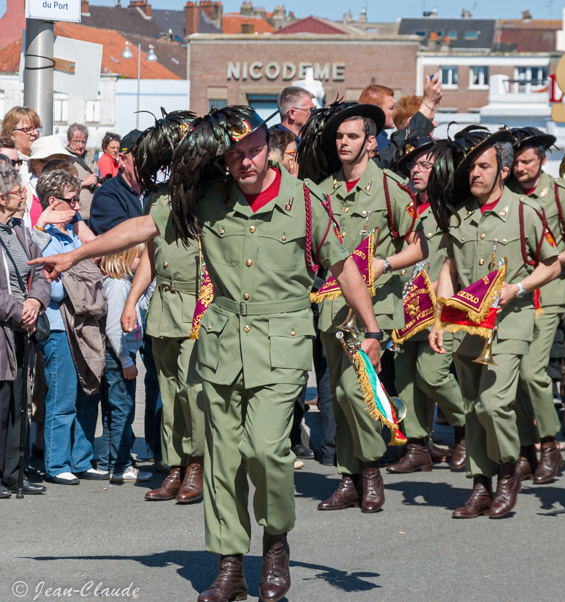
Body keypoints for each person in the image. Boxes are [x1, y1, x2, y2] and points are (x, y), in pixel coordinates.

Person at [30, 105, 381, 602]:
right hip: (218, 345)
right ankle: (231, 565)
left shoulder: (305, 202)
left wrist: (371, 329)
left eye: (255, 148)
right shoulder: (206, 200)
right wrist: (73, 254)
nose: (246, 161)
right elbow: (139, 230)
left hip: (281, 343)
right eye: (234, 153)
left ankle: (275, 542)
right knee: (223, 461)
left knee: (266, 451)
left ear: (270, 145)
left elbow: (343, 267)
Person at [428, 128, 561, 518]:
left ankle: (508, 472)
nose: (475, 174)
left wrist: (517, 287)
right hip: (467, 326)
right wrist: (440, 319)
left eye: (484, 166)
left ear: (503, 170)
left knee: (494, 403)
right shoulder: (460, 217)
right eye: (471, 167)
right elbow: (448, 269)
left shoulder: (525, 212)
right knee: (471, 407)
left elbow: (551, 265)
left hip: (510, 323)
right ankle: (480, 485)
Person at [308, 102, 425, 514]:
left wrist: (385, 262)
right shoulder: (322, 192)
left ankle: (370, 469)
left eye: (353, 136)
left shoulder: (391, 188)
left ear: (371, 143)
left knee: (355, 392)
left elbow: (420, 245)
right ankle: (348, 477)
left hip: (374, 310)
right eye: (339, 136)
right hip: (332, 309)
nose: (344, 142)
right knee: (336, 399)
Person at [122, 110, 207, 505]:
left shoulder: (207, 193)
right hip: (165, 302)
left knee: (194, 391)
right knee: (169, 394)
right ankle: (174, 465)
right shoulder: (157, 198)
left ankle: (197, 466)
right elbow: (151, 256)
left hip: (199, 303)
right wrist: (132, 298)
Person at [507, 127, 565, 484]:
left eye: (526, 161)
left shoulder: (558, 192)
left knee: (532, 373)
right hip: (513, 294)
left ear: (542, 160)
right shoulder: (507, 191)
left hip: (548, 296)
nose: (519, 168)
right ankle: (525, 449)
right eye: (515, 162)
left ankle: (549, 445)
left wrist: (550, 261)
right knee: (514, 378)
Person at [384, 135, 468, 474]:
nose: (415, 170)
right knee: (405, 382)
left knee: (432, 375)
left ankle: (467, 428)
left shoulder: (452, 211)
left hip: (439, 308)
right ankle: (417, 446)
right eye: (413, 165)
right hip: (406, 307)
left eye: (424, 165)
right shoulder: (407, 209)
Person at [35, 170, 104, 486]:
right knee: (62, 396)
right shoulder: (44, 239)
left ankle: (81, 459)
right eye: (71, 200)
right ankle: (57, 462)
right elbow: (55, 289)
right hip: (58, 327)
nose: (77, 206)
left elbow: (83, 276)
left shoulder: (72, 237)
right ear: (53, 202)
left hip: (81, 324)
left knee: (85, 395)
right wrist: (79, 279)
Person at [0, 161, 49, 498]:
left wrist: (34, 303)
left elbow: (41, 272)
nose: (25, 197)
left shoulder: (20, 230)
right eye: (19, 192)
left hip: (23, 329)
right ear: (2, 198)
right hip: (5, 329)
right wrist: (20, 311)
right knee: (2, 406)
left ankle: (14, 474)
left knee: (21, 403)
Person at [97, 244, 152, 484]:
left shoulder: (120, 283)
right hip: (119, 357)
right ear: (125, 257)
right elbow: (113, 328)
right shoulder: (119, 286)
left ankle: (106, 461)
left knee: (113, 411)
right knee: (123, 411)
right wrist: (126, 360)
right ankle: (120, 465)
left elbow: (142, 306)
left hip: (118, 357)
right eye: (140, 257)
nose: (142, 262)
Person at [65, 124, 99, 218]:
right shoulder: (64, 158)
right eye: (77, 141)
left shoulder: (90, 157)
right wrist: (83, 182)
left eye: (83, 142)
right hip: (77, 213)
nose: (80, 145)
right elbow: (63, 184)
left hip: (93, 211)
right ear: (68, 140)